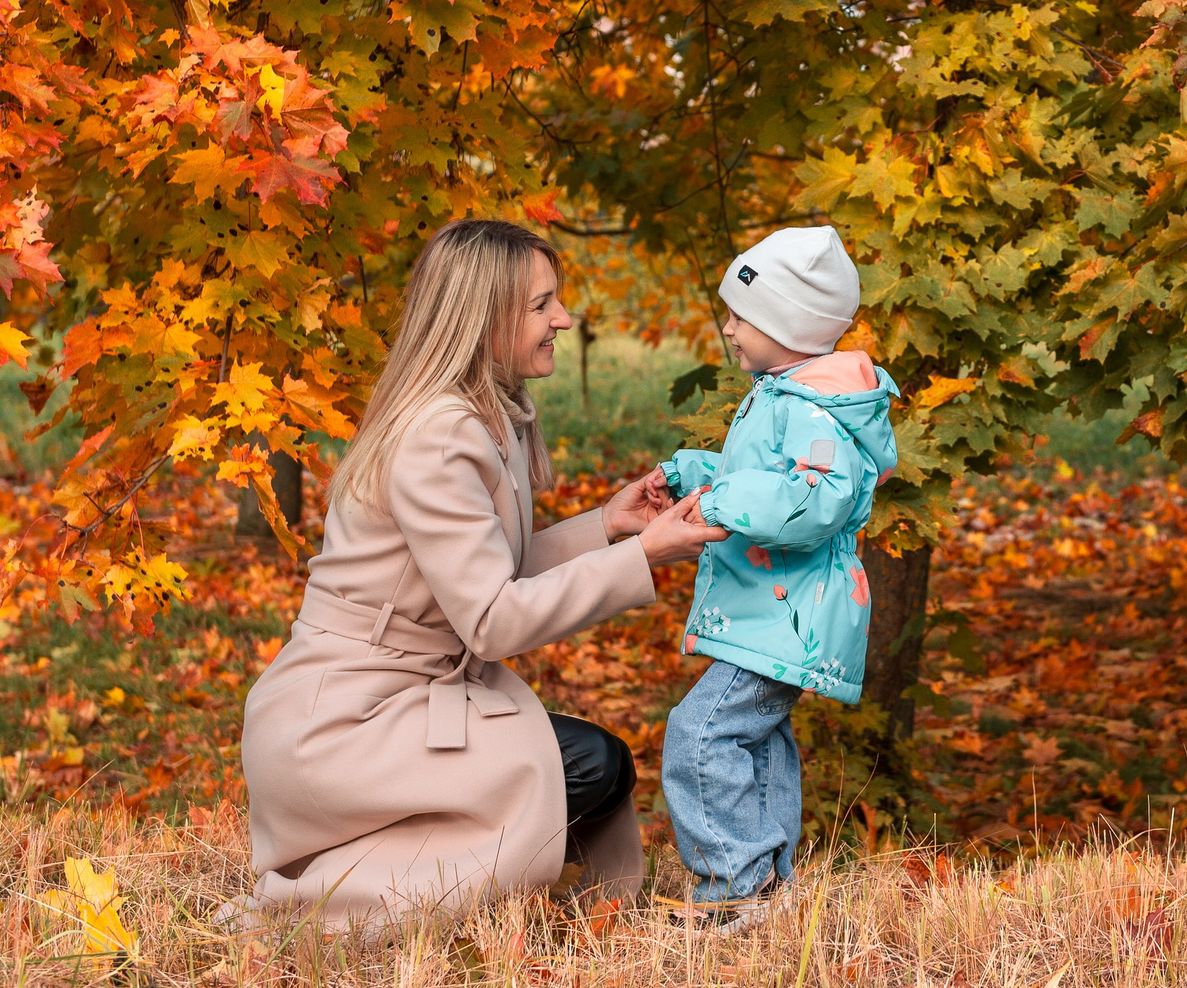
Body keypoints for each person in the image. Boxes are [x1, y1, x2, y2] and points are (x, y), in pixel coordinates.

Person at [238, 219, 723, 928]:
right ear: (483, 316)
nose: (563, 319)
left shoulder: (485, 416)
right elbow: (493, 620)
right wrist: (641, 556)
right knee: (579, 766)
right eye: (541, 305)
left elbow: (489, 573)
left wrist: (608, 525)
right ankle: (326, 894)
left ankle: (545, 902)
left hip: (401, 701)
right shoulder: (439, 435)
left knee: (598, 765)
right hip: (343, 725)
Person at [657, 224, 898, 914]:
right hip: (775, 610)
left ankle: (735, 886)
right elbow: (765, 477)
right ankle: (767, 887)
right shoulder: (785, 393)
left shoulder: (815, 408)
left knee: (700, 734)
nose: (729, 328)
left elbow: (816, 496)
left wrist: (720, 501)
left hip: (789, 616)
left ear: (788, 325)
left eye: (742, 316)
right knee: (755, 741)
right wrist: (691, 477)